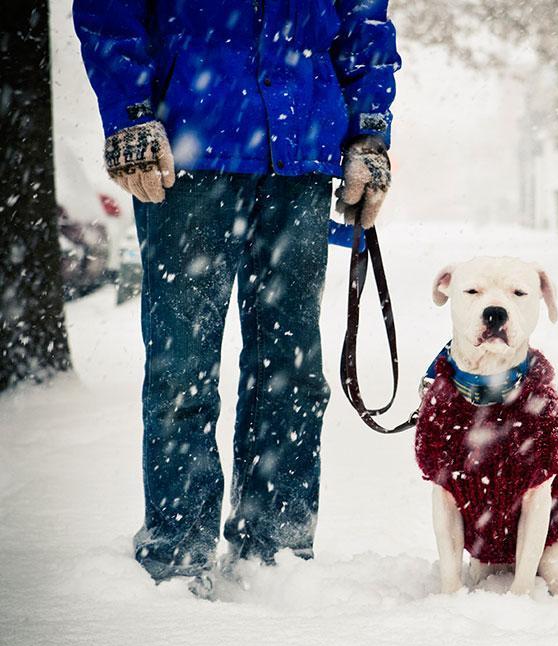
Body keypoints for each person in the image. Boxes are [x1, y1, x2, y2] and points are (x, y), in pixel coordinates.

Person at [73, 0, 401, 589]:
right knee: (183, 368)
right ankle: (178, 555)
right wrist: (128, 114)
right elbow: (108, 10)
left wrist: (369, 134)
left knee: (293, 371)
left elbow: (365, 23)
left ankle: (273, 559)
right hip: (189, 150)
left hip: (298, 156)